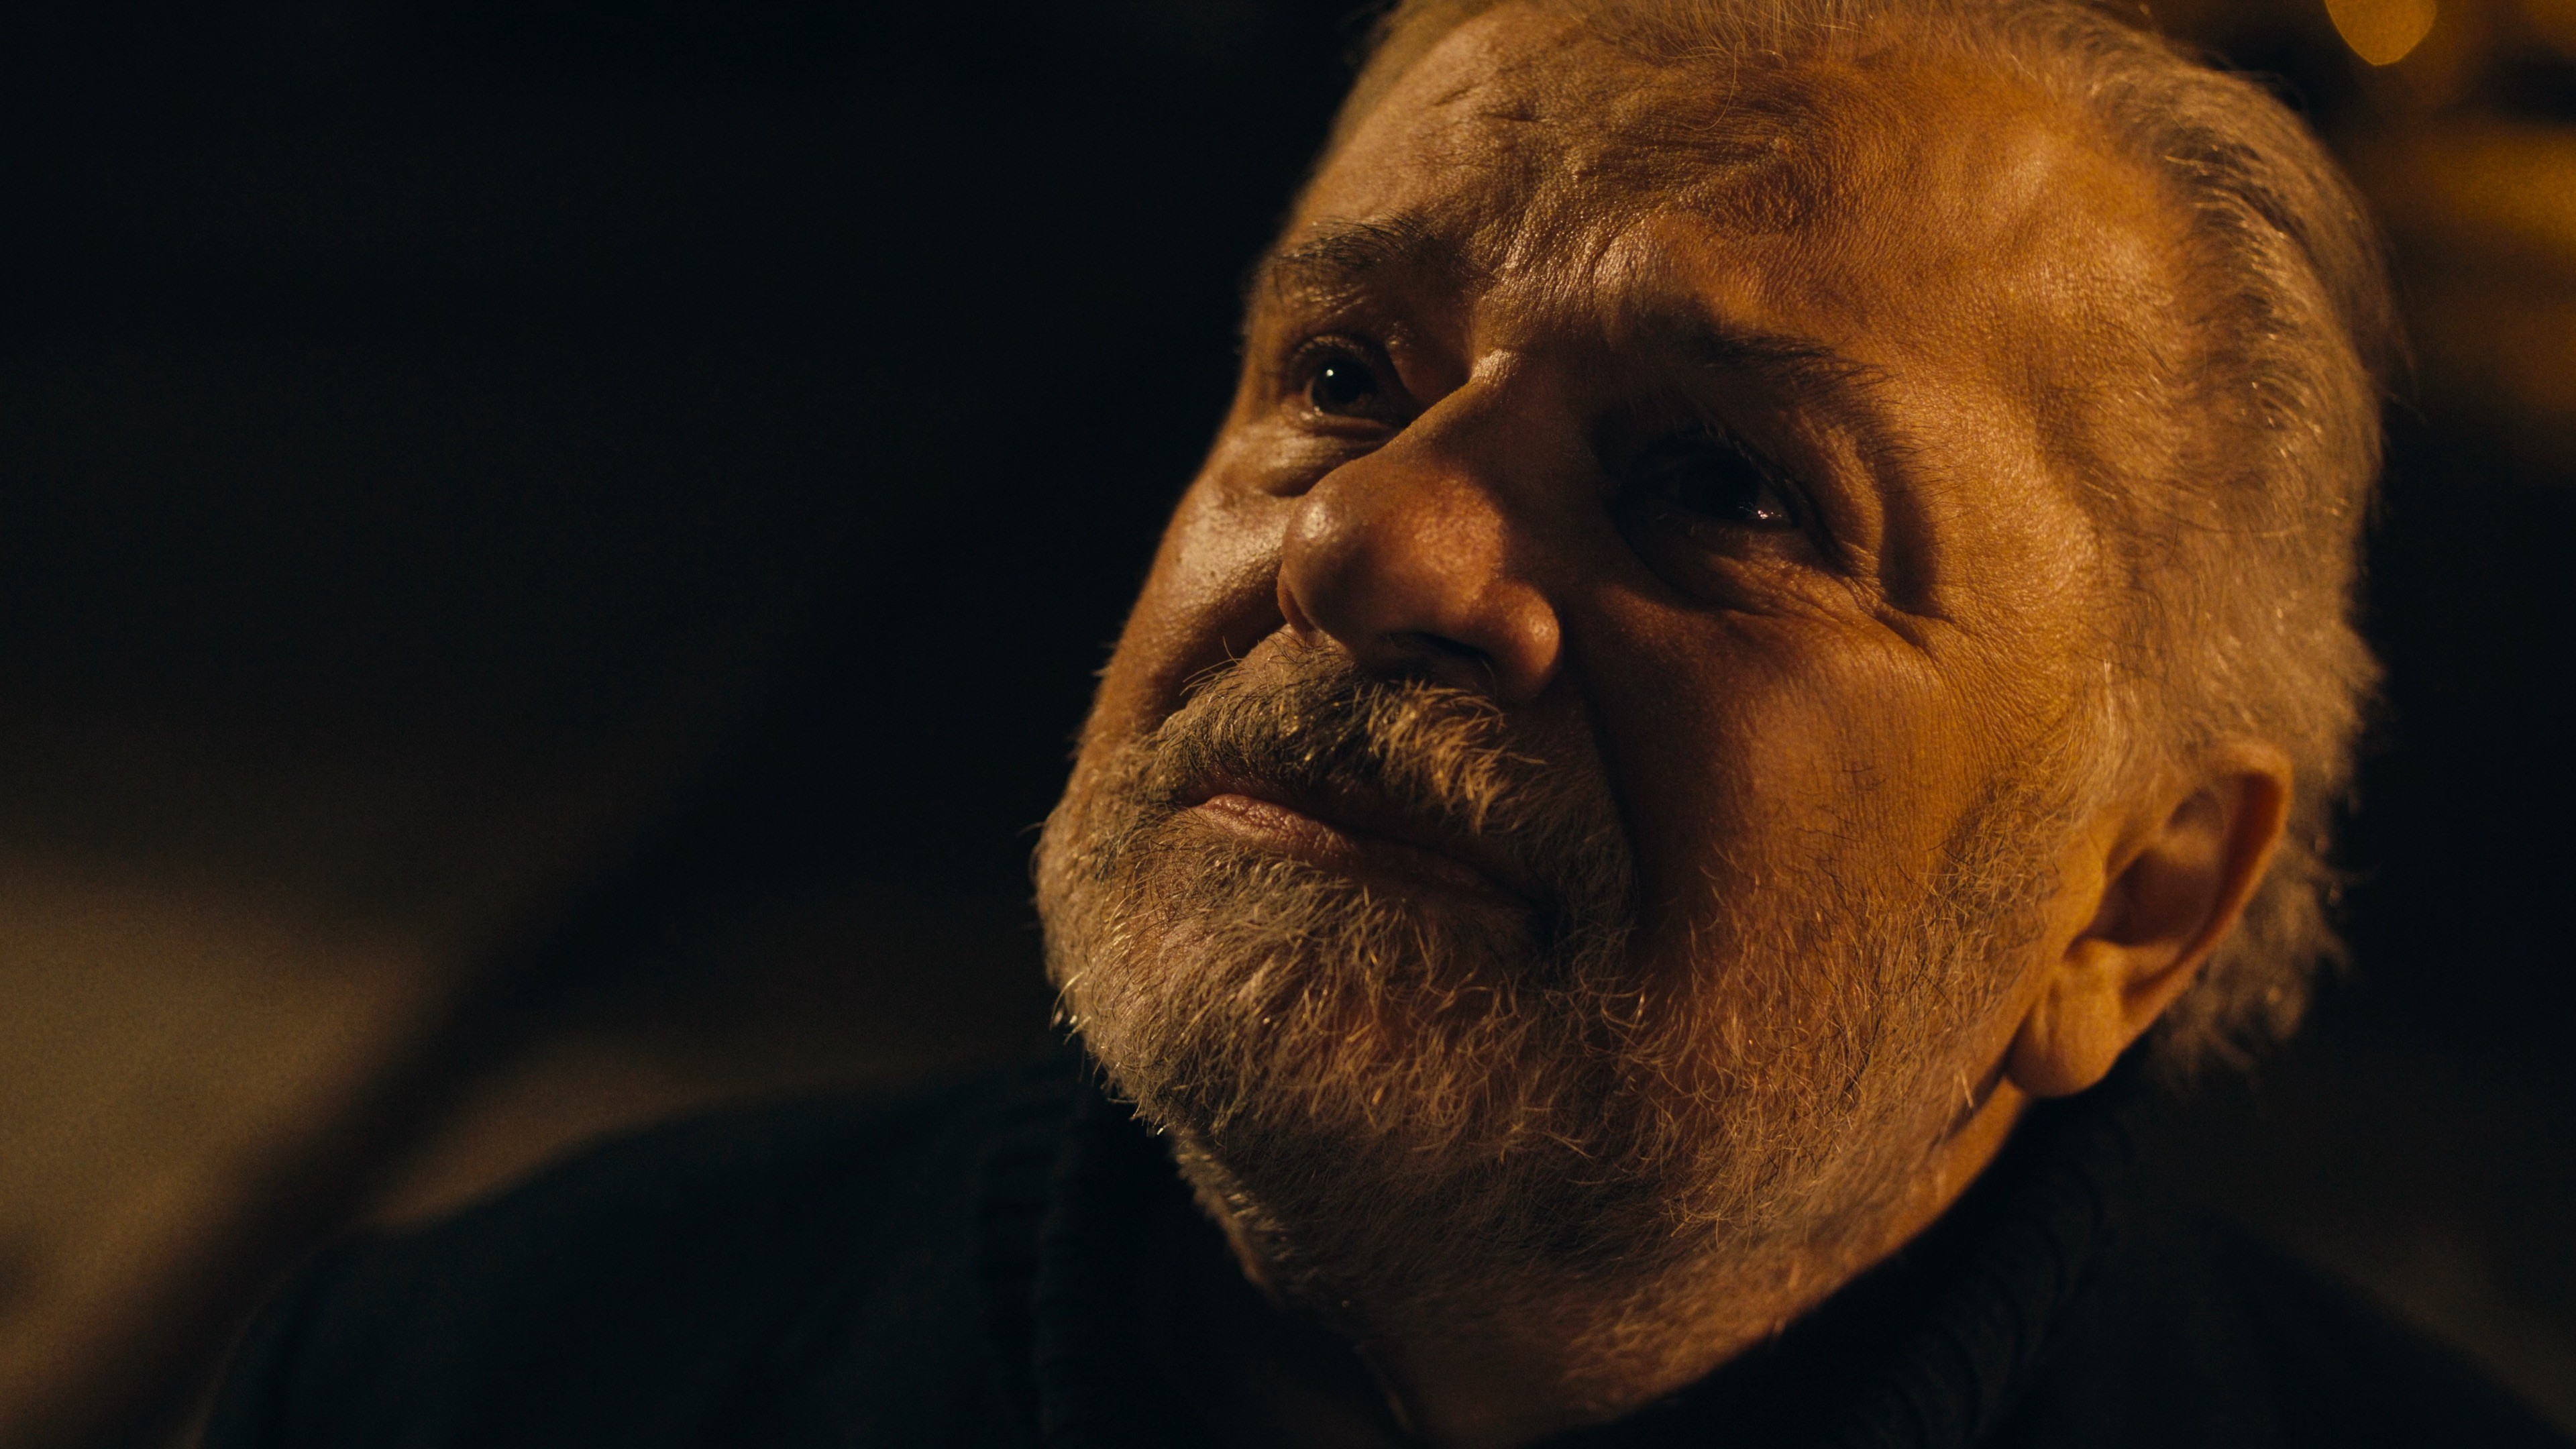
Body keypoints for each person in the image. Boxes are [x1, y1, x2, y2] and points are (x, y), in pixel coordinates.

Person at [204, 1, 2571, 1445]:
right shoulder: (485, 1383)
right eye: (1342, 381)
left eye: (1721, 487)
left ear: (2132, 901)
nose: (1368, 550)